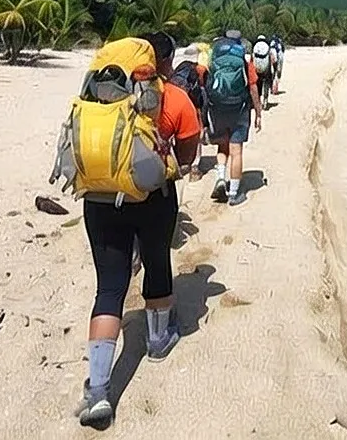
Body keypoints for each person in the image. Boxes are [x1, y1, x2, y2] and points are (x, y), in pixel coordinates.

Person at [74, 34, 201, 427]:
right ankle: (159, 340)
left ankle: (98, 390)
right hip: (153, 198)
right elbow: (189, 150)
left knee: (109, 288)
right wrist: (163, 167)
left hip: (98, 199)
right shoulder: (173, 97)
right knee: (158, 264)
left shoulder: (96, 99)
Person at [206, 29, 262, 206]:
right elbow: (253, 87)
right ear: (240, 41)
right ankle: (234, 194)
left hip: (218, 107)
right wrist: (258, 112)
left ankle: (221, 178)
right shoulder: (245, 59)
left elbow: (208, 81)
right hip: (239, 108)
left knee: (223, 145)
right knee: (236, 150)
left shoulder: (214, 55)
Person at [251, 35, 275, 110]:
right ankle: (265, 100)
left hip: (256, 68)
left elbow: (252, 58)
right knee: (266, 83)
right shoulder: (267, 47)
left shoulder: (255, 47)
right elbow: (272, 59)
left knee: (258, 84)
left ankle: (258, 101)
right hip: (265, 69)